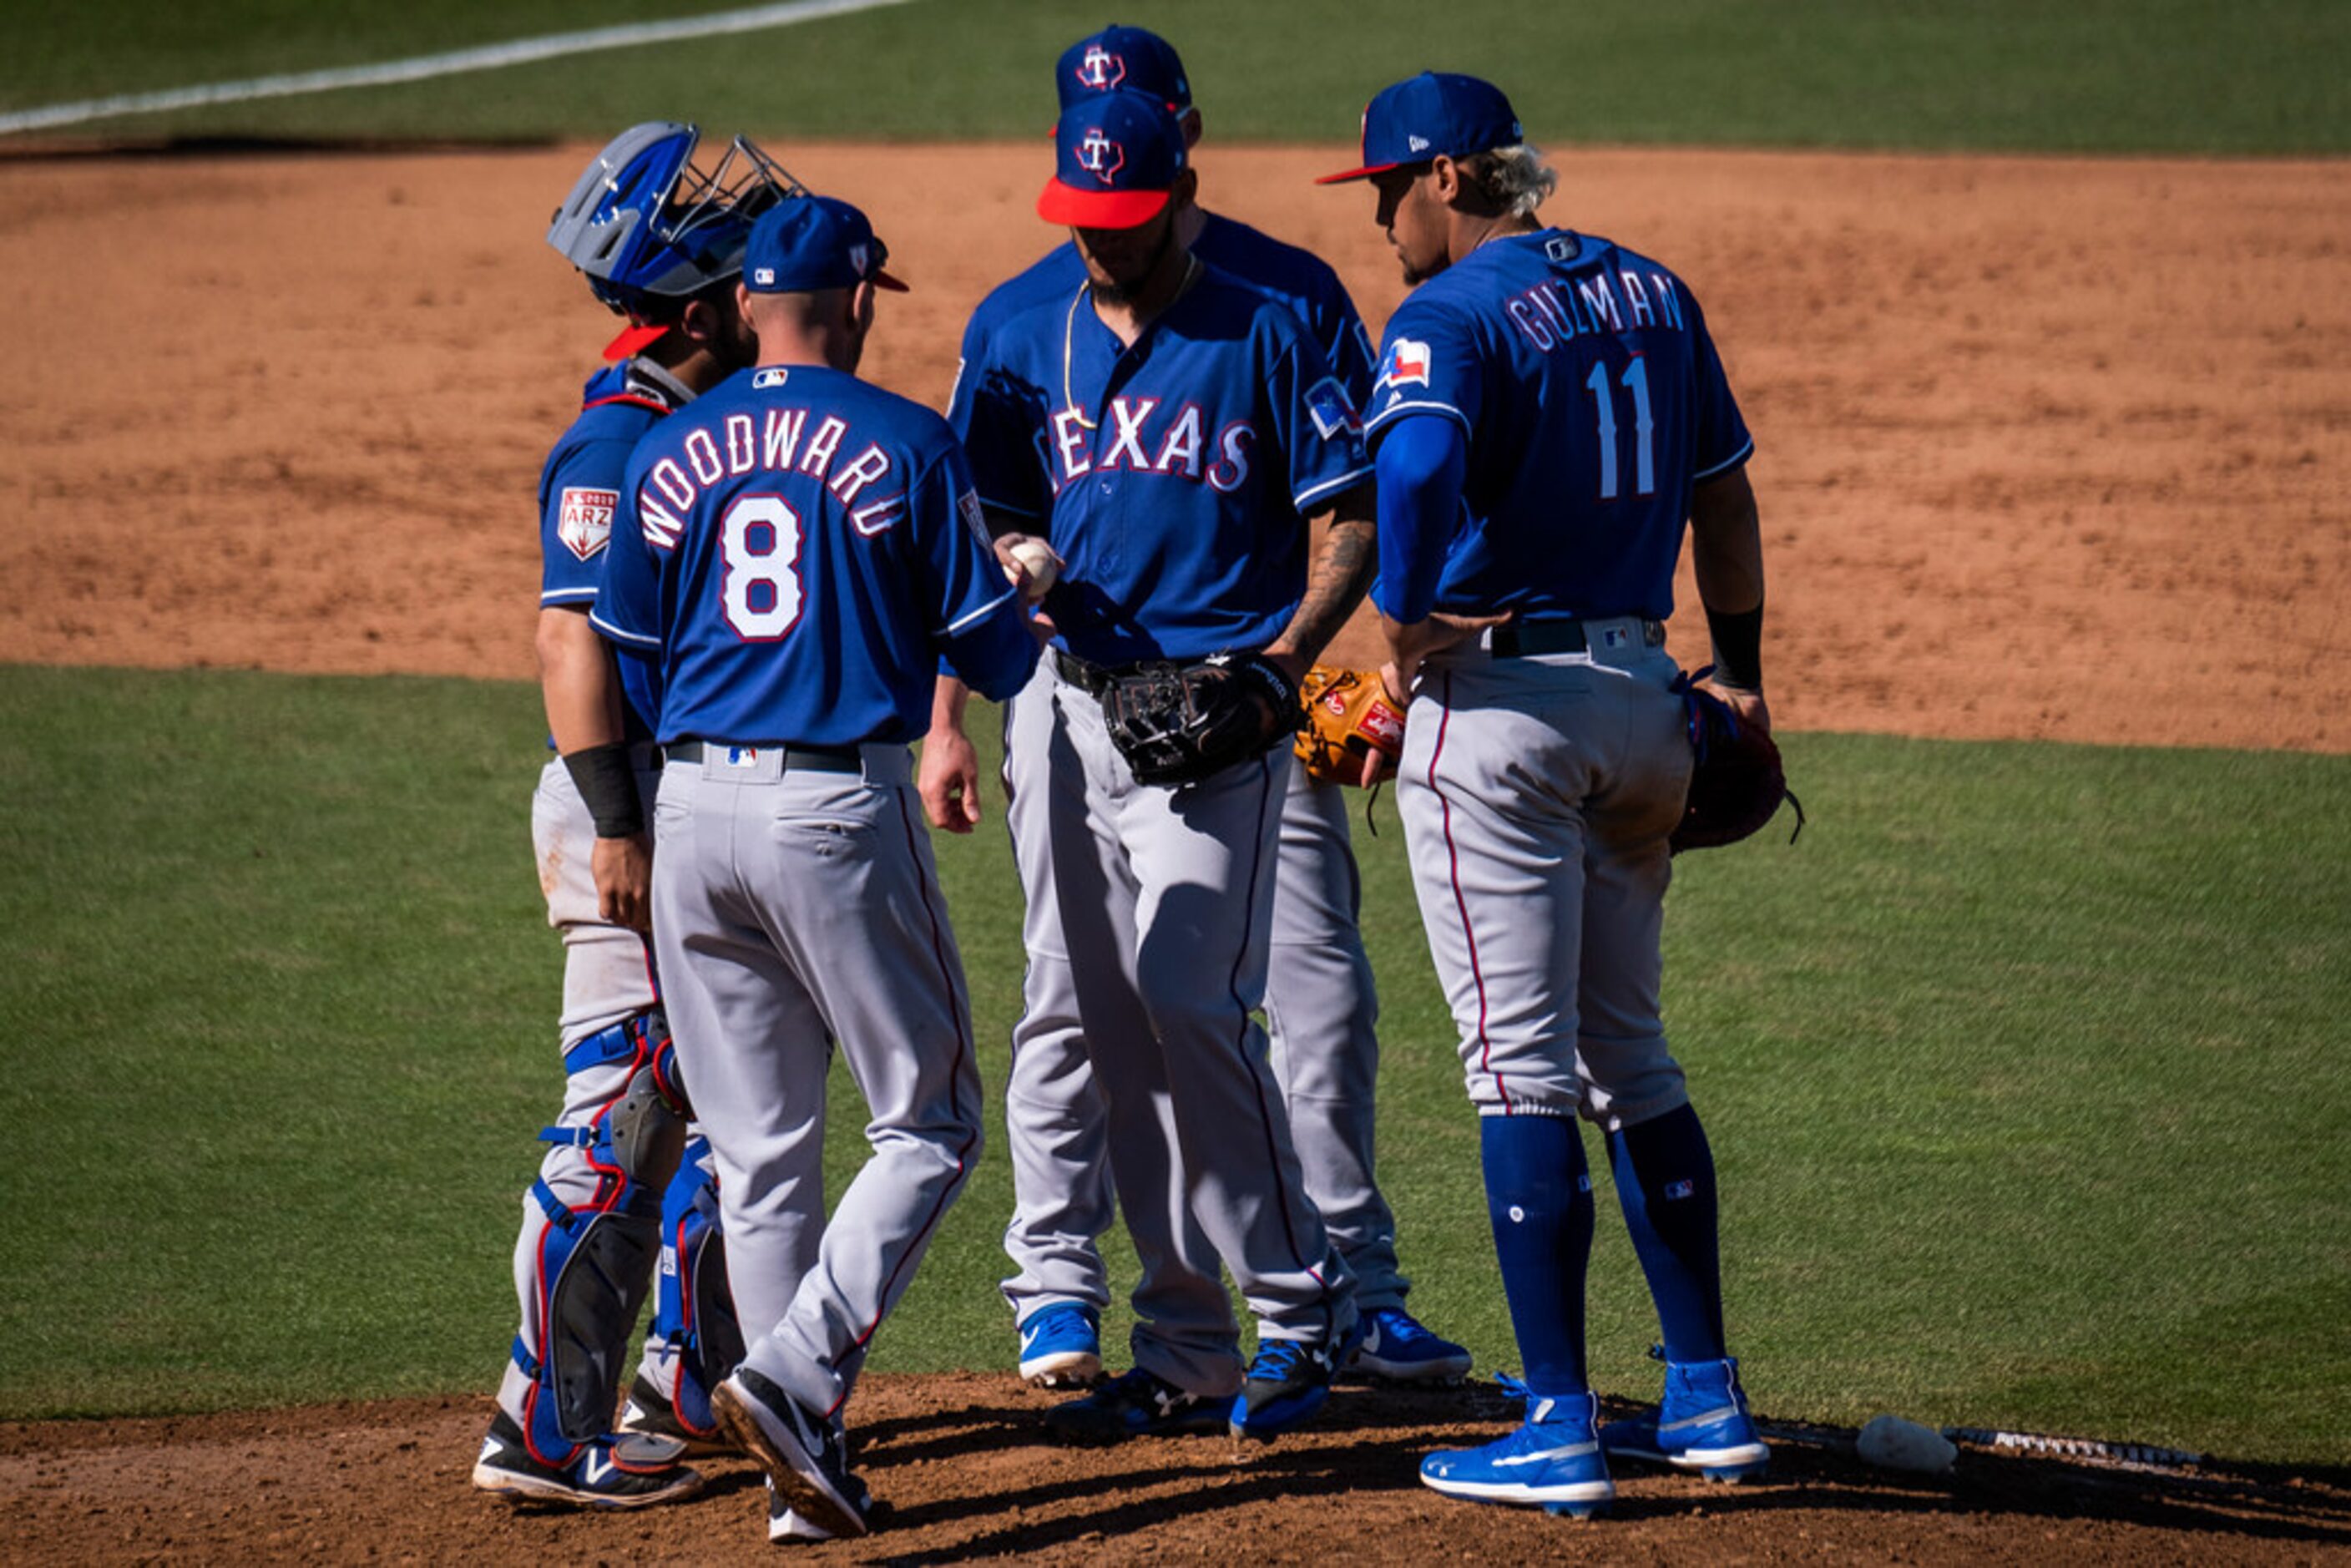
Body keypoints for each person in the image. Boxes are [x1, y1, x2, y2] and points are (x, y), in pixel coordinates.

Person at [926, 23, 1470, 1398]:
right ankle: (1104, 1303)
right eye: (1084, 219)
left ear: (1182, 177)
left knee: (1219, 997)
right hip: (1065, 700)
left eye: (1129, 218)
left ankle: (1312, 1299)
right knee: (1077, 1001)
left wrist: (1283, 663)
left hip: (1223, 712)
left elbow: (1347, 518)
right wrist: (969, 660)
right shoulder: (1012, 323)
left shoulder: (1284, 306)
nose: (1103, 242)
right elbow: (968, 533)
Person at [1320, 73, 1774, 1517]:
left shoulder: (1447, 318)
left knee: (1516, 1067)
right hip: (1653, 708)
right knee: (1630, 1055)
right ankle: (1705, 1396)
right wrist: (1745, 673)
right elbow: (1724, 493)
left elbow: (1419, 467)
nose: (1384, 223)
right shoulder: (1652, 290)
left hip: (1505, 713)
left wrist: (1399, 627)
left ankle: (1559, 1423)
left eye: (1389, 192)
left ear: (1450, 178)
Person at [589, 194, 1040, 1541]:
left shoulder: (671, 446)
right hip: (834, 809)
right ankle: (793, 1370)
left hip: (691, 811)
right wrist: (1025, 574)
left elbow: (627, 643)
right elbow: (1001, 658)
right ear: (854, 301)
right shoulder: (906, 438)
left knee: (761, 1147)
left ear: (745, 308)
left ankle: (808, 1461)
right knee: (934, 1118)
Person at [471, 121, 793, 1512]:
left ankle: (687, 1376)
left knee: (735, 1100)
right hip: (631, 806)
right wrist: (618, 824)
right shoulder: (618, 439)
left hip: (694, 801)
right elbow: (569, 645)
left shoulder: (706, 420)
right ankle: (541, 1428)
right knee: (623, 1114)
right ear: (700, 291)